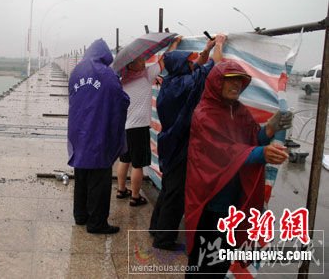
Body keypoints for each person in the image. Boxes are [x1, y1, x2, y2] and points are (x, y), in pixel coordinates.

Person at [185, 62, 292, 277]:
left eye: (239, 80)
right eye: (230, 79)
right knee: (205, 260)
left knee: (223, 257)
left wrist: (270, 128)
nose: (236, 84)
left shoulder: (238, 110)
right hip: (212, 199)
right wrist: (262, 153)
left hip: (234, 195)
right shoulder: (204, 113)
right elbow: (225, 151)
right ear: (217, 82)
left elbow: (251, 139)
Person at [150, 34, 227, 250]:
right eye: (187, 62)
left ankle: (156, 227)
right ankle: (163, 239)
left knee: (168, 188)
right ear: (182, 66)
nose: (191, 63)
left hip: (169, 142)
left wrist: (207, 47)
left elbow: (197, 65)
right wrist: (219, 45)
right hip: (182, 144)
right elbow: (215, 67)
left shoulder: (170, 81)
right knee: (175, 193)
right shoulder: (185, 84)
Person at [68, 38, 130, 234]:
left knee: (82, 176)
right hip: (97, 133)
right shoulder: (107, 73)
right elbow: (120, 99)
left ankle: (80, 215)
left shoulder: (76, 71)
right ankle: (96, 223)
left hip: (78, 132)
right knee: (99, 180)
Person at [115, 38, 180, 207]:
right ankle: (135, 197)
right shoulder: (146, 76)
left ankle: (121, 190)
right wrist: (174, 44)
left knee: (124, 159)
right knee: (138, 164)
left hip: (125, 127)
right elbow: (164, 60)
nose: (143, 62)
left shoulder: (122, 81)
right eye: (139, 60)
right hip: (139, 127)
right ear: (130, 64)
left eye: (142, 59)